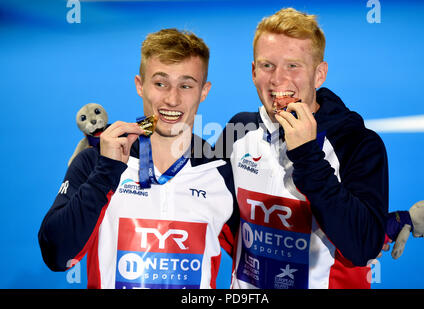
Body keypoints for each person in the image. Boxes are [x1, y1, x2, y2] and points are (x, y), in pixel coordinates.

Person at [38, 28, 238, 289]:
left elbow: (262, 260)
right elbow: (56, 256)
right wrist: (105, 173)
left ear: (204, 91)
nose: (172, 99)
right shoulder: (96, 161)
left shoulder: (220, 172)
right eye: (160, 83)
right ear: (140, 85)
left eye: (186, 85)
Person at [214, 8, 389, 289]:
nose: (277, 80)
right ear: (253, 71)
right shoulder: (238, 130)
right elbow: (202, 199)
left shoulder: (357, 144)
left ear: (319, 74)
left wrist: (307, 156)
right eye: (267, 65)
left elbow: (363, 247)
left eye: (293, 66)